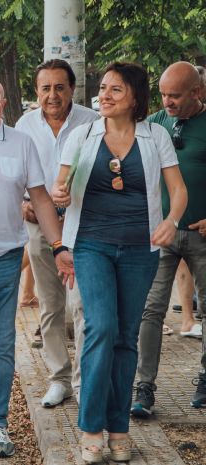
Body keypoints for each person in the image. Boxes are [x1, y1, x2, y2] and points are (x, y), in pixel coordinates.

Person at [52, 62, 187, 463]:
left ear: (135, 97)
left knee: (127, 336)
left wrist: (171, 221)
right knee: (101, 327)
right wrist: (60, 196)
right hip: (91, 244)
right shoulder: (82, 134)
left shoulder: (155, 135)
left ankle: (119, 427)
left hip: (140, 249)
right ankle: (90, 426)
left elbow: (177, 191)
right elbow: (60, 185)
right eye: (103, 89)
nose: (104, 96)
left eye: (115, 90)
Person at [0, 74, 74, 459]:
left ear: (4, 104)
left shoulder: (21, 143)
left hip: (6, 259)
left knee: (2, 345)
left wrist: (58, 246)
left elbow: (39, 197)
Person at [15, 59, 99, 406]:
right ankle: (59, 378)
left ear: (72, 89)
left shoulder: (93, 123)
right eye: (46, 88)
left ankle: (83, 381)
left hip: (82, 227)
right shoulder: (24, 125)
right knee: (50, 305)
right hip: (39, 228)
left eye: (59, 87)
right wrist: (23, 205)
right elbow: (15, 177)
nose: (52, 95)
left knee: (82, 306)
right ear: (37, 91)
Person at [132, 61, 206, 418]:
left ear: (198, 93)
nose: (167, 102)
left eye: (174, 95)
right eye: (163, 94)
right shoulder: (156, 124)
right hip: (162, 234)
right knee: (151, 309)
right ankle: (144, 387)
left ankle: (205, 378)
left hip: (201, 235)